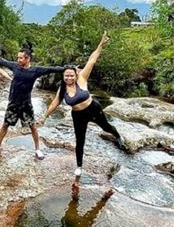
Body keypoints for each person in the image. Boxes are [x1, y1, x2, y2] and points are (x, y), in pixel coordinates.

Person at [38, 31, 124, 183]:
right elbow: (54, 103)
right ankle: (79, 166)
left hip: (93, 108)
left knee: (106, 127)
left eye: (71, 75)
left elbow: (92, 60)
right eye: (66, 76)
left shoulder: (82, 78)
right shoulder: (62, 89)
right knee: (80, 140)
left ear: (75, 75)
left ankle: (118, 137)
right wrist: (44, 116)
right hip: (78, 115)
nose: (69, 77)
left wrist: (100, 45)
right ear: (63, 76)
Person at [0, 38, 66, 160]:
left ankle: (38, 149)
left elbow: (51, 69)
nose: (18, 60)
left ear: (28, 59)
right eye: (17, 58)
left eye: (20, 58)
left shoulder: (36, 71)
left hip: (26, 104)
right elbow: (2, 61)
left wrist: (67, 68)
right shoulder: (15, 67)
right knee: (5, 125)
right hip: (13, 103)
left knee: (32, 126)